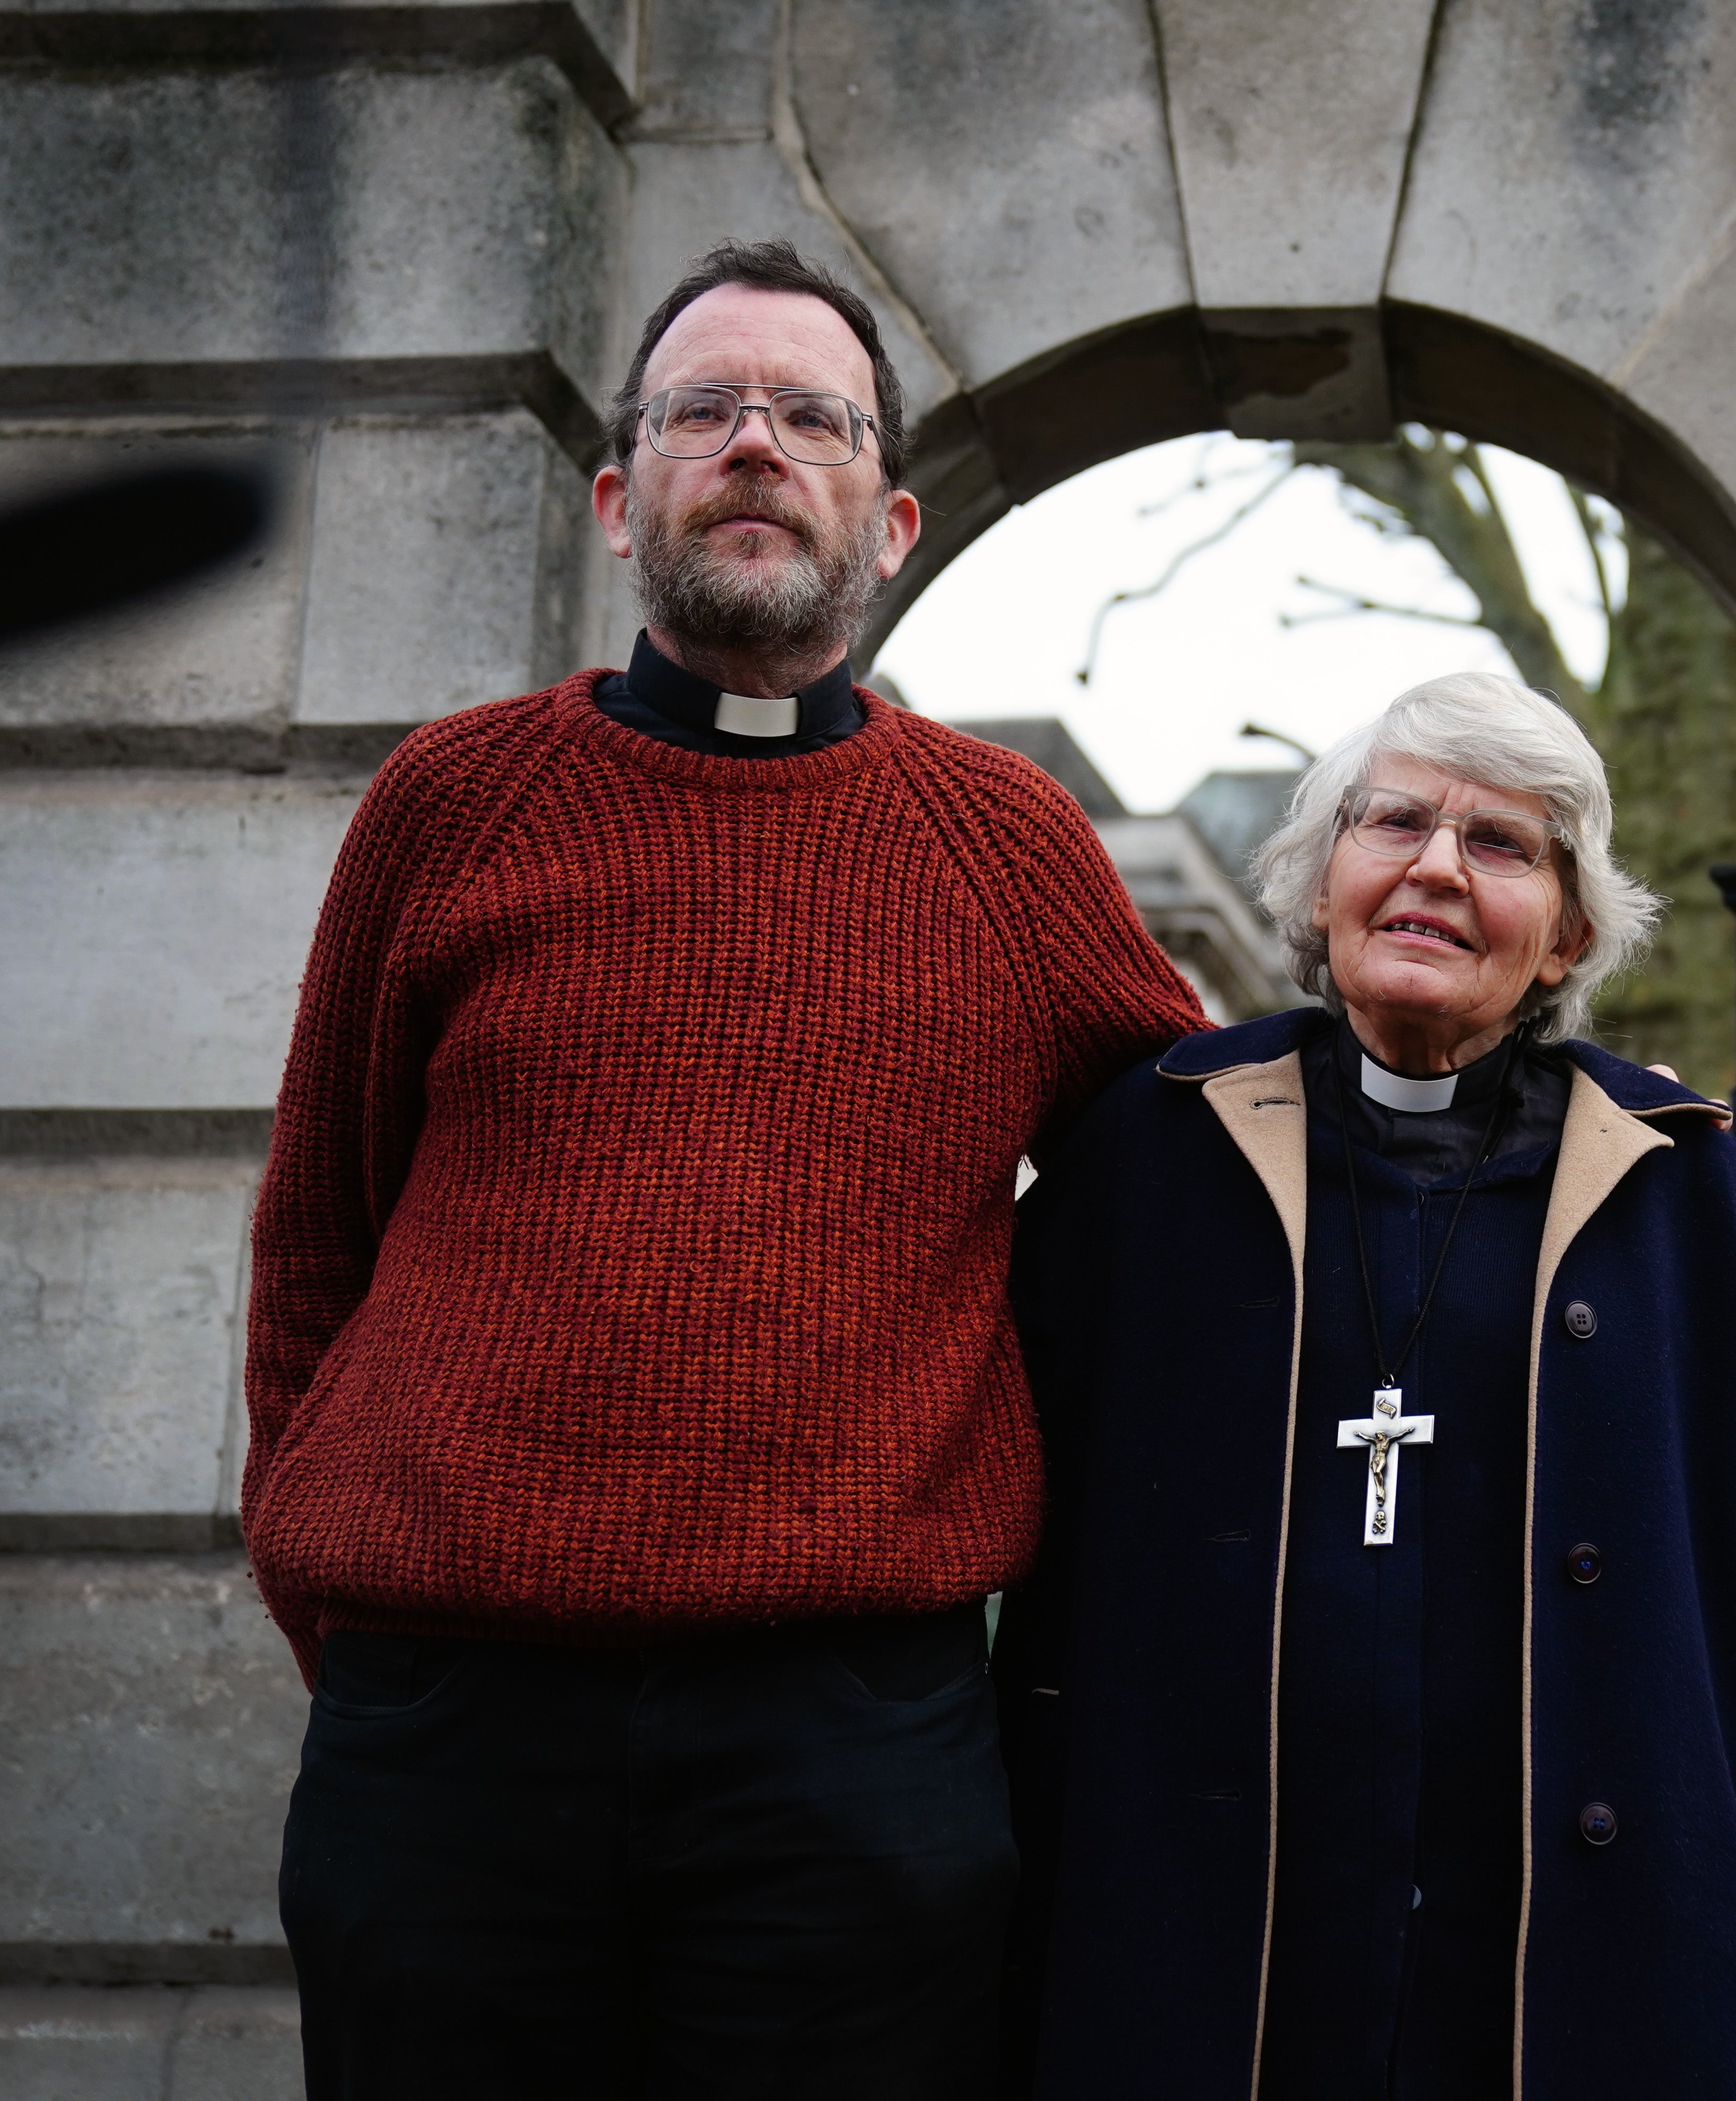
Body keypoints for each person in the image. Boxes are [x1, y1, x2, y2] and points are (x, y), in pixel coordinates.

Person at [240, 239, 1210, 2098]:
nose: (757, 444)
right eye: (704, 411)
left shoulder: (1007, 847)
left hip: (853, 1745)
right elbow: (314, 1246)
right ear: (623, 502)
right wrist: (335, 1596)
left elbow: (1227, 1160)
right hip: (448, 1733)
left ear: (892, 522)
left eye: (813, 418)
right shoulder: (451, 803)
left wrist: (1583, 1137)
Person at [997, 671, 1736, 2100]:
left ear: (1567, 937)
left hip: (1595, 1988)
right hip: (1202, 1973)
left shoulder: (1683, 1196)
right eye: (1395, 823)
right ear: (1321, 886)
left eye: (1501, 844)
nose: (1436, 867)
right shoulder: (1152, 1153)